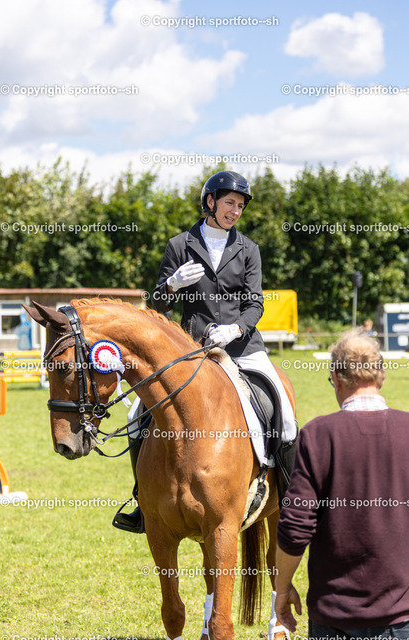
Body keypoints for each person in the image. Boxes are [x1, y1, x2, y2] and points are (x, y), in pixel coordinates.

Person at [113, 170, 297, 533]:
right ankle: (142, 502)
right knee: (137, 416)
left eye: (240, 206)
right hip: (191, 349)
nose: (235, 211)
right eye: (230, 203)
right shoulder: (179, 245)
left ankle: (290, 499)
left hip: (242, 346)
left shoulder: (248, 249)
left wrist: (236, 328)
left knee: (286, 416)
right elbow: (159, 305)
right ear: (210, 202)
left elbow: (255, 303)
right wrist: (171, 283)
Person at [274, 329, 409, 640]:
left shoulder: (317, 434)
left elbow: (295, 528)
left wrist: (282, 587)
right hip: (401, 616)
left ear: (335, 377)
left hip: (334, 616)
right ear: (381, 376)